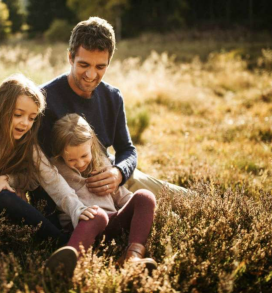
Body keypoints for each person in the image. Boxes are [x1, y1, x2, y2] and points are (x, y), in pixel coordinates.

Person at [33, 17, 190, 226]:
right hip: (71, 188)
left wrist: (118, 173)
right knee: (162, 217)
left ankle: (219, 206)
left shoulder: (112, 97)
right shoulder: (43, 99)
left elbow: (127, 150)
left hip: (110, 176)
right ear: (70, 57)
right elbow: (39, 167)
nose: (91, 74)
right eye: (84, 64)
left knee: (182, 197)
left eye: (100, 67)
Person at [0, 74, 89, 291]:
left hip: (2, 194)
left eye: (31, 118)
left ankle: (59, 242)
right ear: (0, 109)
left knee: (3, 195)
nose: (25, 123)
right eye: (18, 115)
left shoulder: (27, 144)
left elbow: (51, 178)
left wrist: (77, 209)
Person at [43, 114, 158, 278]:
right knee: (96, 214)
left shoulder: (102, 162)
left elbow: (120, 194)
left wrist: (141, 210)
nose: (81, 163)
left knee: (145, 196)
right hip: (82, 224)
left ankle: (133, 256)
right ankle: (69, 261)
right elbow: (29, 178)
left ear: (91, 145)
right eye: (72, 160)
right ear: (60, 153)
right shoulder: (55, 168)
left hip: (112, 221)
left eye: (84, 156)